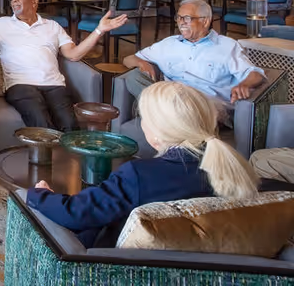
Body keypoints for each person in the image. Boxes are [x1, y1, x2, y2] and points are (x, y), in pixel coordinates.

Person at [27, 81, 260, 248]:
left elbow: (75, 214)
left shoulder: (139, 175)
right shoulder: (232, 166)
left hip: (114, 265)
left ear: (158, 133)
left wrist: (40, 195)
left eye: (145, 119)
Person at [0, 0, 128, 131]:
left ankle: (70, 169)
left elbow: (73, 55)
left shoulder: (52, 26)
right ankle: (47, 167)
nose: (13, 0)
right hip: (20, 85)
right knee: (41, 124)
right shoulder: (1, 24)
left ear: (34, 1)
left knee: (70, 125)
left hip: (54, 85)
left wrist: (99, 30)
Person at [120, 0, 264, 123]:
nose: (181, 23)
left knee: (190, 110)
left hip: (208, 106)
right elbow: (128, 59)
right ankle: (167, 119)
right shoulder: (168, 44)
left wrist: (245, 84)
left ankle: (163, 120)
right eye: (179, 17)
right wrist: (141, 62)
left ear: (205, 21)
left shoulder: (227, 46)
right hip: (173, 100)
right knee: (134, 77)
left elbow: (255, 73)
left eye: (187, 18)